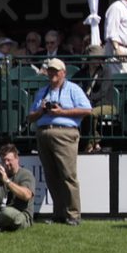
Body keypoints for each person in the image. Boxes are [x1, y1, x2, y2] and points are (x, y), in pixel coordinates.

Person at [28, 57, 91, 225]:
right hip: (43, 133)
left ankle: (73, 215)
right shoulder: (42, 91)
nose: (52, 74)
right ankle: (58, 213)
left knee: (68, 175)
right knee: (51, 176)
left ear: (64, 73)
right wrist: (41, 111)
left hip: (65, 133)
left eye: (55, 71)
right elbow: (30, 117)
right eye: (50, 70)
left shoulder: (73, 89)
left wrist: (61, 112)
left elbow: (87, 109)